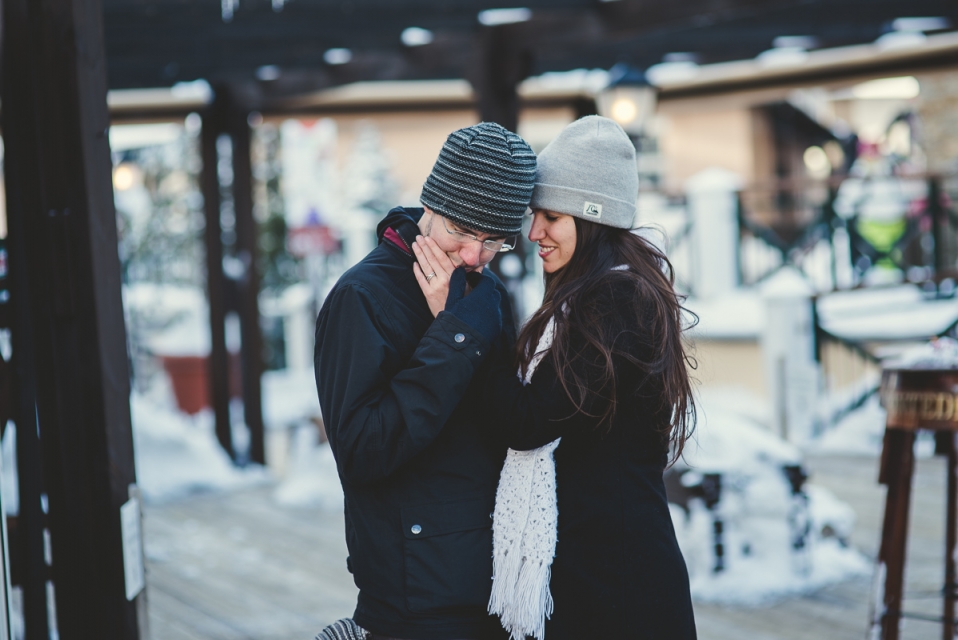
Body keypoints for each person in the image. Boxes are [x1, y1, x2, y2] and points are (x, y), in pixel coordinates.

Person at [413, 116, 697, 639]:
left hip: (619, 589)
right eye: (534, 215)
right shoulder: (594, 299)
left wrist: (457, 326)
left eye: (551, 217)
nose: (534, 232)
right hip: (601, 573)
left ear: (592, 220)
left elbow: (527, 422)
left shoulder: (615, 303)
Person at [314, 122, 535, 640]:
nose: (473, 256)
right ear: (429, 206)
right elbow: (363, 449)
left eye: (493, 241)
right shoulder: (361, 297)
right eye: (461, 230)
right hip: (414, 599)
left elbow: (504, 421)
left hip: (497, 584)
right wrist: (453, 338)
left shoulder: (488, 292)